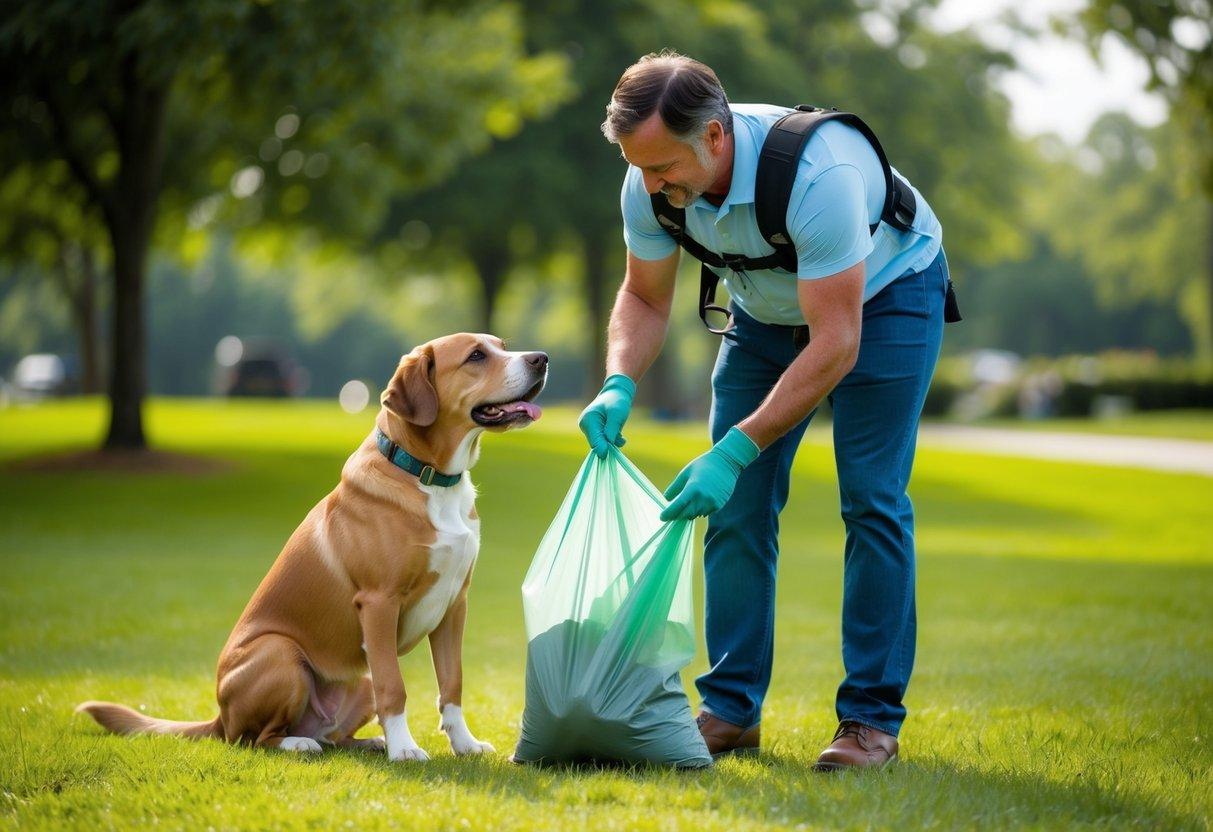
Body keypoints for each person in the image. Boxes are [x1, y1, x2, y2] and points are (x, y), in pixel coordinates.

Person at [579, 51, 950, 770]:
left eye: (662, 168)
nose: (651, 185)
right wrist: (617, 380)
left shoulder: (820, 177)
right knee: (736, 510)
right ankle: (730, 709)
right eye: (640, 168)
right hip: (762, 313)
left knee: (871, 498)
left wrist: (734, 448)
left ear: (716, 136)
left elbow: (836, 342)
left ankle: (869, 723)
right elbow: (645, 297)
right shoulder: (648, 179)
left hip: (884, 298)